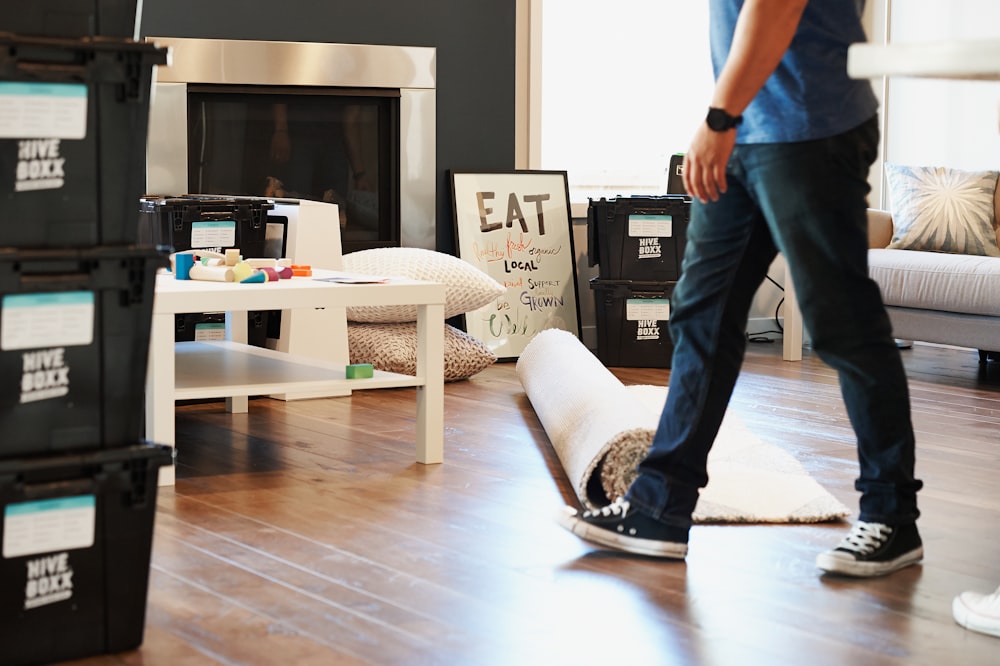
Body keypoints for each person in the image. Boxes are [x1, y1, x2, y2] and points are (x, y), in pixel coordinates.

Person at [558, 0, 924, 578]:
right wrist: (728, 122)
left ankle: (892, 515)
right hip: (748, 134)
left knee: (841, 324)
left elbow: (776, 6)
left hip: (809, 128)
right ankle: (660, 506)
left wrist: (718, 119)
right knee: (702, 312)